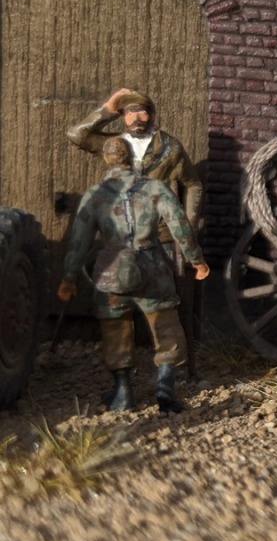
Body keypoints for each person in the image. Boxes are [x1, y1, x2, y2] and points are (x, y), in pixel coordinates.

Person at [58, 137, 210, 413]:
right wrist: (196, 260)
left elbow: (78, 243)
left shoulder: (95, 195)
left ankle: (123, 391)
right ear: (131, 158)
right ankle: (165, 387)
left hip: (111, 271)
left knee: (116, 328)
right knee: (166, 327)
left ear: (107, 160)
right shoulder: (155, 188)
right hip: (153, 267)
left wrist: (69, 279)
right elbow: (180, 225)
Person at [67, 87, 204, 376]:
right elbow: (77, 135)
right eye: (130, 112)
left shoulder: (171, 148)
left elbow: (192, 184)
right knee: (113, 300)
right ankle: (125, 373)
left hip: (164, 235)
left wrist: (187, 224)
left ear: (153, 115)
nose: (137, 118)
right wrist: (106, 108)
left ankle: (174, 372)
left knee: (170, 303)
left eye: (143, 112)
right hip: (120, 238)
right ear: (122, 116)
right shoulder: (115, 144)